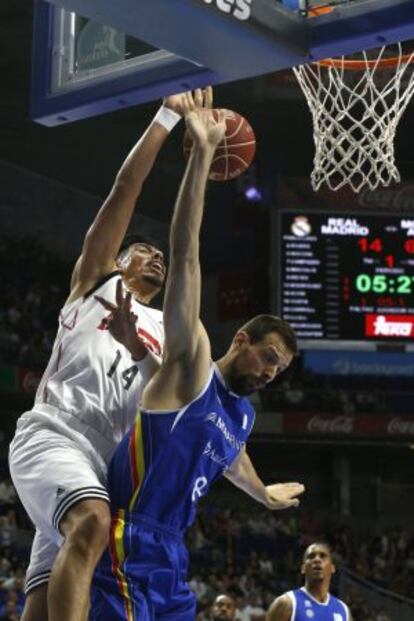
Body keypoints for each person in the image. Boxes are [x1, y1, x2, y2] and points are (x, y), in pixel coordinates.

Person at [90, 87, 304, 621]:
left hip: (172, 555)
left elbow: (231, 457)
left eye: (280, 370)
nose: (271, 373)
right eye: (269, 359)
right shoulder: (190, 367)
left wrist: (261, 493)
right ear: (241, 342)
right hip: (127, 537)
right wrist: (204, 153)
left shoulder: (243, 412)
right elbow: (186, 256)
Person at [8, 93, 188, 621]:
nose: (156, 254)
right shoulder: (96, 283)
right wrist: (167, 118)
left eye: (162, 254)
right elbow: (124, 191)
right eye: (143, 250)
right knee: (89, 522)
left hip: (107, 465)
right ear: (118, 259)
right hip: (56, 435)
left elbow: (183, 405)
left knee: (42, 603)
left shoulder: (170, 330)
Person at [266, 542, 352, 621]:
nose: (317, 560)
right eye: (311, 556)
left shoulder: (344, 611)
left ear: (332, 568)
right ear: (303, 568)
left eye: (323, 556)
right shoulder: (286, 603)